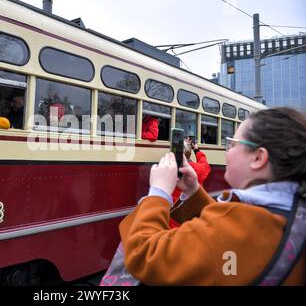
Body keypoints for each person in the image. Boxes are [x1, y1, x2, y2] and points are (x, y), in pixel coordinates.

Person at [119, 107, 306, 285]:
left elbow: (144, 256)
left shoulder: (243, 224)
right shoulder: (289, 209)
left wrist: (158, 192)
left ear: (258, 158)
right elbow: (220, 231)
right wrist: (193, 192)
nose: (227, 151)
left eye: (232, 144)